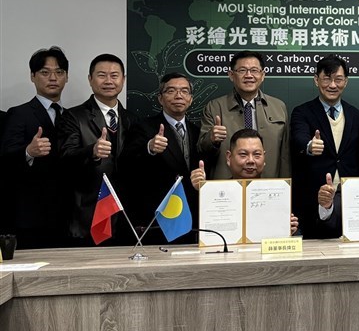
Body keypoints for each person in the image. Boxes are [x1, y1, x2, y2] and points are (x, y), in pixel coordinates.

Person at [120, 73, 207, 244]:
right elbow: (126, 163)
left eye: (184, 91)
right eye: (171, 91)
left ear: (190, 99)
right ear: (160, 98)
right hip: (157, 216)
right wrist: (149, 148)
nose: (178, 95)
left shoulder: (198, 132)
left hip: (190, 215)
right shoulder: (144, 127)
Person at [58, 53, 135, 244]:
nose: (108, 80)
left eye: (114, 75)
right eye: (102, 75)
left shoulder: (132, 119)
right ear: (90, 79)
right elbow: (65, 157)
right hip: (88, 213)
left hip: (126, 216)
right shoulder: (73, 116)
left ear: (123, 80)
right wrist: (92, 151)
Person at [0, 47, 70, 248]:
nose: (53, 78)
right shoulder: (19, 113)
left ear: (66, 77)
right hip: (32, 216)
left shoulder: (73, 116)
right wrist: (28, 152)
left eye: (59, 72)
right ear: (33, 76)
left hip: (67, 215)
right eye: (45, 72)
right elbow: (5, 159)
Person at [290, 55, 359, 238]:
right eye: (327, 79)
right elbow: (299, 138)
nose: (333, 85)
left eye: (338, 79)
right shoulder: (302, 112)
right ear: (316, 80)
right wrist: (309, 146)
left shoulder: (356, 115)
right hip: (314, 198)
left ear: (346, 82)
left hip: (351, 197)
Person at [198, 50, 290, 180]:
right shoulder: (214, 107)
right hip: (226, 188)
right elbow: (201, 150)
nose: (248, 75)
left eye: (254, 70)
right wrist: (212, 140)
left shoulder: (278, 107)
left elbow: (285, 155)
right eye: (242, 70)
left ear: (262, 75)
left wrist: (284, 186)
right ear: (231, 75)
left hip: (268, 187)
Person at [191, 128, 298, 235]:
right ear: (229, 157)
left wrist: (287, 229)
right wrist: (201, 190)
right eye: (243, 154)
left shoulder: (278, 194)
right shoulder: (214, 193)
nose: (251, 160)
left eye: (257, 154)